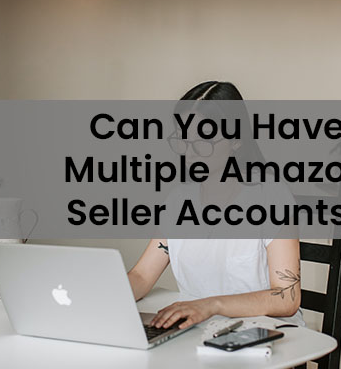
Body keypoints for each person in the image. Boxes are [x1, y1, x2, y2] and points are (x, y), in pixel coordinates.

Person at [127, 81, 304, 330]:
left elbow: (288, 297)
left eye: (204, 139)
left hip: (262, 335)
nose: (190, 153)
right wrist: (99, 297)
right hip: (196, 333)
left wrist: (211, 305)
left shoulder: (271, 197)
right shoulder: (179, 201)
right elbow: (142, 276)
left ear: (236, 140)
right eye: (183, 140)